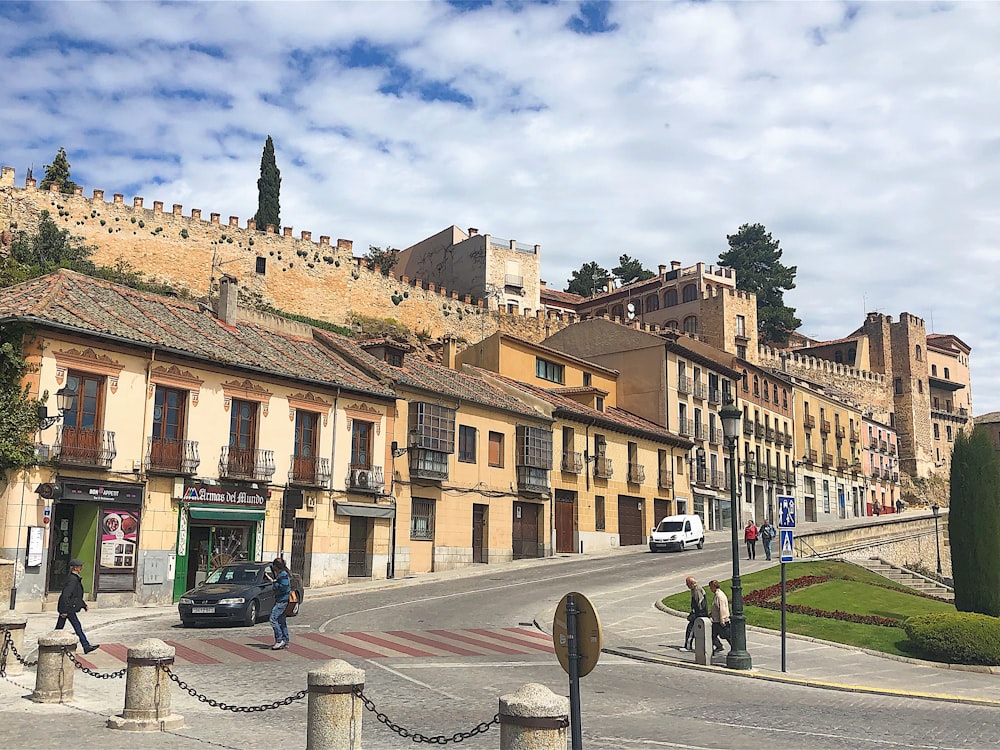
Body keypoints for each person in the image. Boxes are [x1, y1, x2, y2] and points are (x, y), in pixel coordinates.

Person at [55, 559, 99, 654]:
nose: (81, 568)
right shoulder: (73, 579)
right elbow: (66, 595)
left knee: (60, 627)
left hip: (68, 607)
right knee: (76, 627)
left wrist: (83, 605)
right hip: (68, 608)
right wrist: (63, 610)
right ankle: (85, 645)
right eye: (80, 566)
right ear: (75, 568)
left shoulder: (74, 578)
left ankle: (85, 645)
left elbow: (76, 595)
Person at [269, 557, 291, 650]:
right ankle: (285, 640)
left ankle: (279, 640)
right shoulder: (282, 574)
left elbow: (284, 587)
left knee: (273, 619)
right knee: (282, 621)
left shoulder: (283, 575)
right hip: (282, 599)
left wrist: (274, 584)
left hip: (282, 600)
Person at [684, 576, 709, 650]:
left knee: (690, 629)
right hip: (699, 614)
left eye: (687, 583)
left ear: (691, 583)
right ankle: (718, 645)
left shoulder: (697, 590)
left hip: (699, 614)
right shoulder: (694, 590)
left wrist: (694, 614)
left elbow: (700, 604)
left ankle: (688, 646)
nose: (687, 585)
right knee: (706, 631)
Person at [708, 579, 730, 654]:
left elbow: (722, 609)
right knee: (712, 635)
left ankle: (734, 648)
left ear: (714, 586)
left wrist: (722, 620)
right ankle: (718, 646)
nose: (710, 589)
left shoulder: (720, 596)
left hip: (720, 621)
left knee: (727, 636)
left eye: (711, 587)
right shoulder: (717, 595)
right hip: (716, 620)